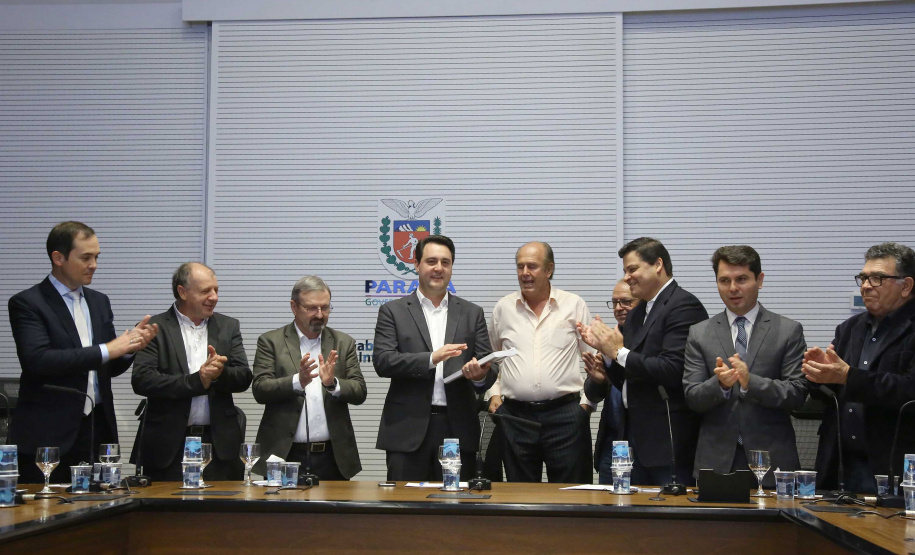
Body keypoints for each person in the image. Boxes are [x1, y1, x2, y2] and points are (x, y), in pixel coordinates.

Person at [8, 221, 157, 483]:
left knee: (103, 504)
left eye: (97, 257)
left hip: (97, 428)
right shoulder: (28, 302)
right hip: (50, 433)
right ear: (58, 258)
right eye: (86, 257)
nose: (94, 265)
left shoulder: (99, 301)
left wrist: (128, 349)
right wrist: (108, 348)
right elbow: (38, 360)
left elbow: (106, 366)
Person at [578, 237, 707, 486]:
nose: (627, 277)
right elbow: (630, 379)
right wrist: (606, 354)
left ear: (658, 265)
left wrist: (616, 351)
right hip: (632, 441)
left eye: (632, 269)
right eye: (625, 271)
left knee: (671, 511)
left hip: (667, 443)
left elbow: (672, 370)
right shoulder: (639, 312)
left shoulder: (683, 305)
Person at [373, 235, 495, 481]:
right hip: (407, 428)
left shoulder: (472, 313)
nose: (439, 268)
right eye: (431, 261)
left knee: (455, 503)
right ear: (416, 265)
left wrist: (480, 376)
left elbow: (488, 368)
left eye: (445, 262)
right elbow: (383, 361)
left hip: (457, 428)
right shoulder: (393, 311)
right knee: (404, 501)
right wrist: (431, 358)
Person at [682, 246, 807, 487]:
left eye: (741, 279)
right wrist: (720, 385)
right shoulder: (699, 333)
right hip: (716, 461)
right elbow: (692, 396)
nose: (732, 288)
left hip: (772, 460)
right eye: (724, 280)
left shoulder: (787, 330)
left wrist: (751, 383)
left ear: (759, 280)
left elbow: (797, 394)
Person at [803, 242, 915, 494]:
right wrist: (818, 374)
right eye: (863, 278)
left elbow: (909, 389)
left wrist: (847, 376)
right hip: (842, 464)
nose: (865, 286)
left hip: (893, 465)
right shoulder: (849, 328)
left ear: (906, 286)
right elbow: (832, 392)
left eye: (877, 278)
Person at [131, 262, 252, 481]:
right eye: (206, 291)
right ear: (182, 292)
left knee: (223, 504)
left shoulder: (228, 326)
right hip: (167, 447)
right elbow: (142, 380)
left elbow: (244, 376)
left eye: (216, 290)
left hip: (219, 447)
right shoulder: (156, 327)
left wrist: (220, 374)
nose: (214, 297)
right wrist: (197, 381)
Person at [489, 241, 594, 483]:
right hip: (516, 417)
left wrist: (586, 406)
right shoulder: (503, 308)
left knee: (571, 493)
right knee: (521, 496)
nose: (525, 273)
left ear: (549, 269)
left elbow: (593, 358)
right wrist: (494, 395)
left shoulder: (574, 305)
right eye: (520, 266)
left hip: (566, 415)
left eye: (532, 266)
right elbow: (492, 359)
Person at [251, 276, 366, 481]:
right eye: (312, 308)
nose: (320, 315)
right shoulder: (271, 342)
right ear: (294, 307)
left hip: (333, 457)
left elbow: (359, 391)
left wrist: (332, 384)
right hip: (285, 454)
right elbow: (260, 389)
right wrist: (298, 381)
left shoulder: (343, 342)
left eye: (325, 308)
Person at [583, 279, 640, 485]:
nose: (618, 308)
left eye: (626, 301)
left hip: (644, 442)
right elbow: (592, 394)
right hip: (613, 443)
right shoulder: (608, 339)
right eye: (615, 302)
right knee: (609, 501)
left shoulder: (649, 339)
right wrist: (597, 380)